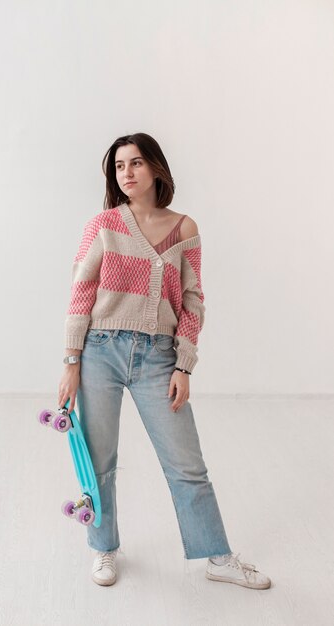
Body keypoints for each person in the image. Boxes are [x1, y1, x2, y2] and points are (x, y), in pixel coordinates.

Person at [58, 132, 271, 590]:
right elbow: (81, 291)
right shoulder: (104, 225)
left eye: (135, 163)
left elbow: (193, 300)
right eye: (119, 167)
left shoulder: (185, 228)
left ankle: (216, 556)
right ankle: (104, 548)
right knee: (99, 461)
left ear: (155, 168)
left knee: (186, 465)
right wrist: (71, 360)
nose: (127, 174)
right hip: (100, 351)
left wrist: (183, 365)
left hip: (158, 357)